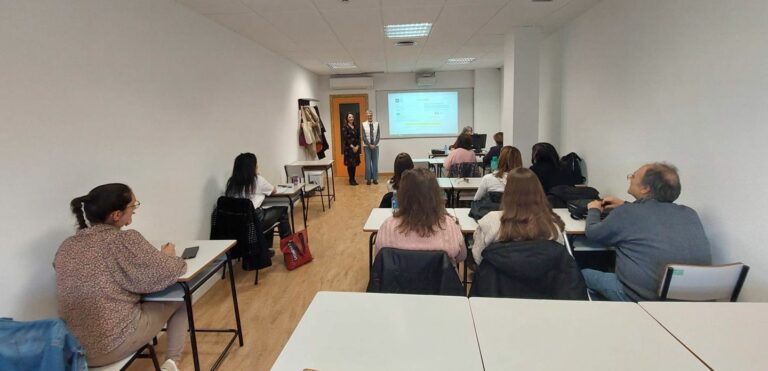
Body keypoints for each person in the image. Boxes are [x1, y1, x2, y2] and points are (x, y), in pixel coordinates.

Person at [54, 184, 187, 370]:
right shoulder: (124, 239)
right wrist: (168, 255)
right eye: (133, 207)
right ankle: (172, 362)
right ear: (116, 215)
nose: (134, 212)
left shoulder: (67, 245)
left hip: (72, 348)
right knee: (180, 297)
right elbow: (171, 270)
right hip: (112, 345)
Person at [582, 163, 712, 302]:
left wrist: (594, 209)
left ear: (645, 188)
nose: (630, 178)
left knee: (581, 273)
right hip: (693, 301)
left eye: (633, 175)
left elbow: (593, 232)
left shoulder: (627, 214)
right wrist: (626, 205)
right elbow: (654, 217)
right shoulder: (690, 213)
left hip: (644, 300)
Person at [472, 168, 565, 264]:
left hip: (501, 278)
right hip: (544, 278)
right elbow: (558, 259)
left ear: (507, 192)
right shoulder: (553, 225)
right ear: (539, 191)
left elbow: (479, 257)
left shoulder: (491, 221)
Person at [375, 168, 467, 265]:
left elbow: (379, 258)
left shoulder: (387, 226)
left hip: (397, 280)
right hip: (439, 280)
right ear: (435, 195)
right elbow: (461, 256)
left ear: (402, 195)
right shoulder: (449, 226)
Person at [225, 153, 291, 240]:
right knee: (283, 210)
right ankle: (289, 246)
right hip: (254, 220)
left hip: (236, 222)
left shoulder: (231, 183)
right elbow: (273, 190)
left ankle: (266, 249)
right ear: (252, 167)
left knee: (267, 213)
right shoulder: (257, 180)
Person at [341, 112, 361, 185]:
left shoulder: (356, 126)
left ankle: (353, 179)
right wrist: (352, 147)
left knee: (354, 164)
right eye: (349, 117)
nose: (351, 118)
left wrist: (357, 146)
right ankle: (351, 179)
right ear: (347, 118)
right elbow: (346, 138)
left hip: (356, 148)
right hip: (349, 149)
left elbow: (359, 137)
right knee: (350, 165)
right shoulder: (345, 127)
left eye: (352, 117)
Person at [361, 109, 380, 185]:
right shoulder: (363, 124)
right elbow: (363, 136)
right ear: (366, 115)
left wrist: (374, 145)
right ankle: (368, 179)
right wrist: (369, 145)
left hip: (376, 146)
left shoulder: (377, 124)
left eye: (370, 115)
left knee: (375, 163)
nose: (369, 116)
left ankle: (375, 179)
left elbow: (378, 135)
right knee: (368, 164)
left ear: (372, 115)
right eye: (368, 115)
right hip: (366, 147)